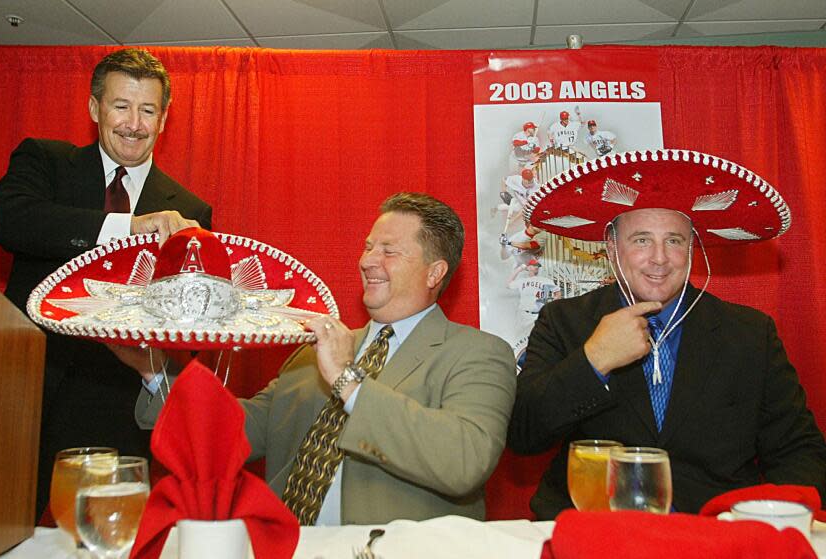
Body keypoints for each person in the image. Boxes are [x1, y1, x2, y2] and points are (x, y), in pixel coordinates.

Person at [135, 192, 517, 525]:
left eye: (388, 251)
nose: (367, 261)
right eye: (368, 246)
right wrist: (154, 373)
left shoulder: (478, 354)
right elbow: (232, 432)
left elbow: (464, 461)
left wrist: (348, 383)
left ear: (435, 272)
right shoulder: (315, 353)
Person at [507, 149, 826, 519]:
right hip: (595, 529)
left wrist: (773, 520)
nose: (659, 258)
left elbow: (798, 452)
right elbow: (523, 434)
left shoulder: (751, 334)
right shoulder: (564, 321)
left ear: (692, 248)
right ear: (612, 247)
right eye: (641, 240)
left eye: (674, 240)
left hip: (712, 533)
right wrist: (594, 359)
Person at [0, 47, 211, 519]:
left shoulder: (191, 212)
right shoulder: (46, 162)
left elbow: (189, 327)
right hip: (23, 394)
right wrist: (126, 226)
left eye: (147, 110)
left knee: (106, 540)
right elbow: (11, 220)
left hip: (119, 409)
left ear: (164, 118)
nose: (134, 123)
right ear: (94, 109)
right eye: (121, 106)